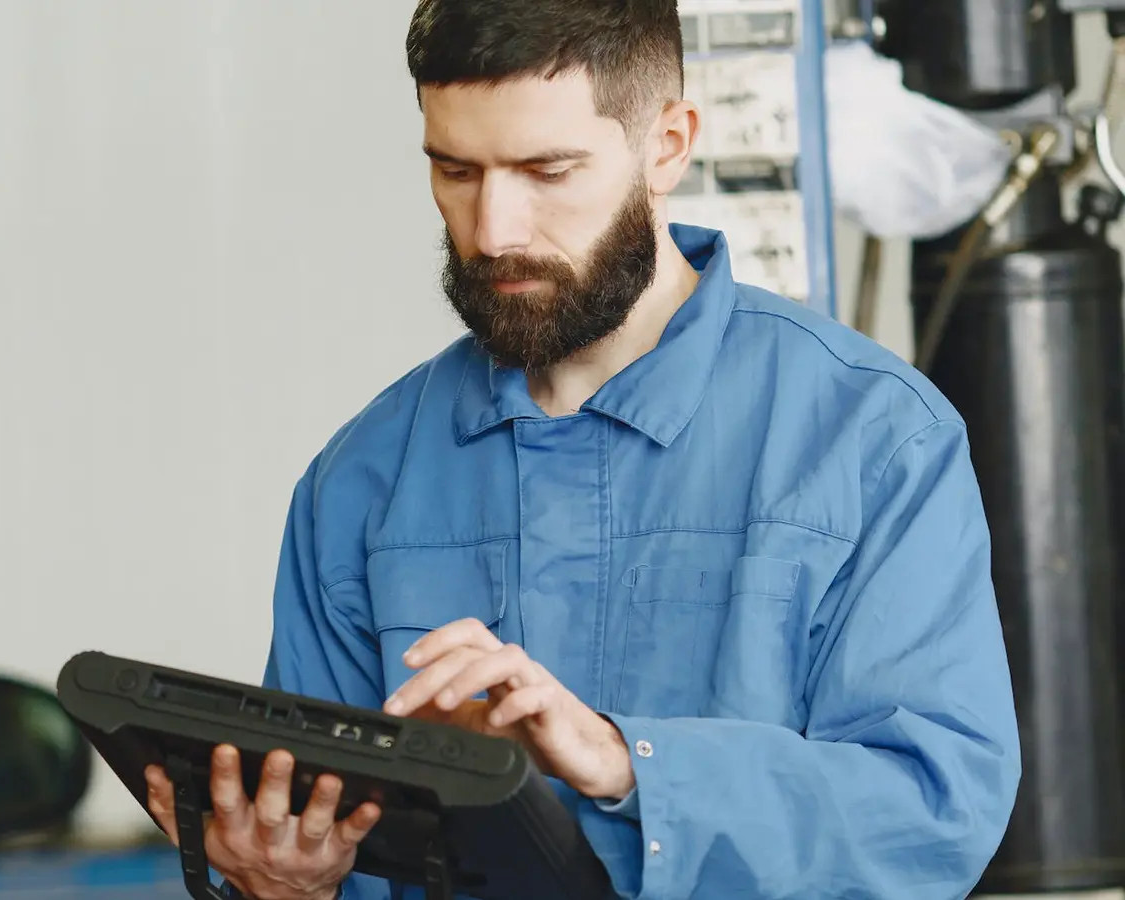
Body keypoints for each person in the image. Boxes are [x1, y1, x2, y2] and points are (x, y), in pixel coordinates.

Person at [143, 0, 1022, 896]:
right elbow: (341, 841)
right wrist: (287, 886)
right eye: (455, 170)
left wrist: (622, 761)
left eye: (546, 170)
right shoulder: (360, 482)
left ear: (668, 146)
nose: (493, 231)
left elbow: (930, 813)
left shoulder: (872, 439)